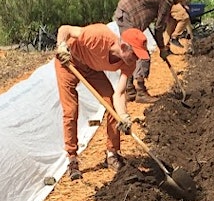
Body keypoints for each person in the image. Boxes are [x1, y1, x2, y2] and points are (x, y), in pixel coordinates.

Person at [54, 24, 150, 180]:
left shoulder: (129, 63)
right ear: (124, 46)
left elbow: (119, 92)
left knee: (111, 105)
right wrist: (62, 46)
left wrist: (123, 116)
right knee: (70, 110)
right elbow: (64, 29)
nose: (136, 59)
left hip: (91, 68)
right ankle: (72, 158)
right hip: (68, 62)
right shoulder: (98, 36)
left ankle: (112, 153)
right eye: (135, 54)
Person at [115, 0, 192, 103]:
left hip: (125, 12)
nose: (182, 3)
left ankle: (130, 90)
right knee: (141, 54)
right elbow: (158, 28)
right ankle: (140, 91)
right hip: (128, 16)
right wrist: (162, 49)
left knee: (132, 51)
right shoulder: (166, 0)